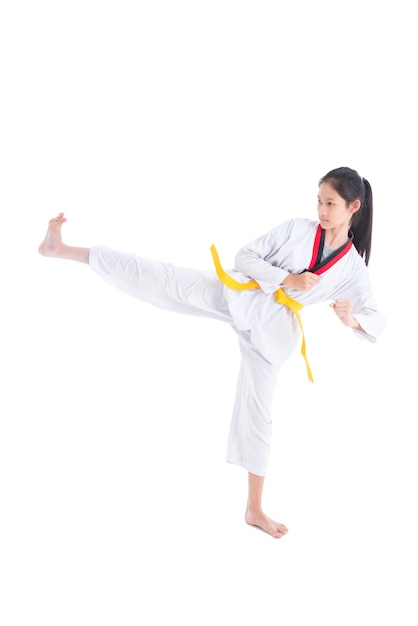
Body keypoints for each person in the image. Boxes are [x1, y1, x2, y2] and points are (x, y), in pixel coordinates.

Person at [38, 166, 386, 539]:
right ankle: (62, 249)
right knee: (163, 277)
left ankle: (254, 509)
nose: (321, 209)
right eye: (319, 200)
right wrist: (288, 279)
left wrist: (350, 320)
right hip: (241, 293)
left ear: (353, 206)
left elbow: (375, 320)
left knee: (259, 412)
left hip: (272, 331)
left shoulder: (352, 269)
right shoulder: (297, 229)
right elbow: (244, 256)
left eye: (330, 203)